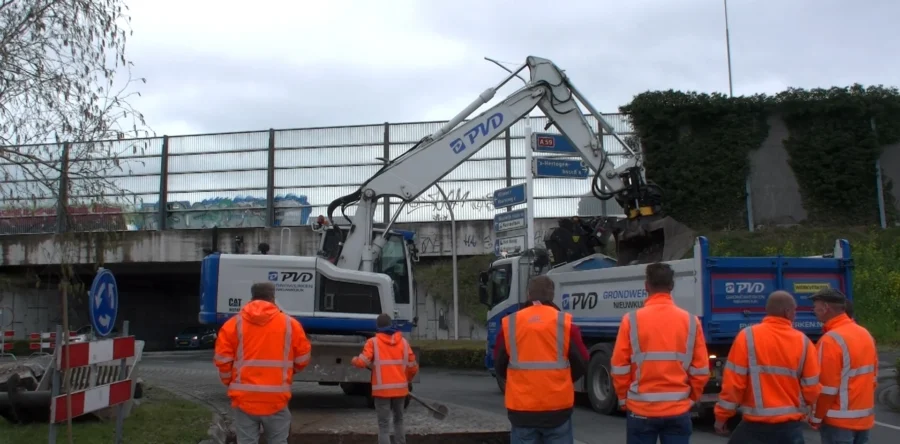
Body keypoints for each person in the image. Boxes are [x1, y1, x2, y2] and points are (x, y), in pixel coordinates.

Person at [611, 262, 710, 444]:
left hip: (641, 409)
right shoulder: (691, 321)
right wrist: (692, 398)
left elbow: (619, 367)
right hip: (677, 409)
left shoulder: (631, 320)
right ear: (671, 286)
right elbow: (701, 369)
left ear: (646, 286)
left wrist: (624, 398)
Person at [714, 290, 821, 444]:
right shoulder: (804, 342)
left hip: (754, 426)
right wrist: (809, 411)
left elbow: (733, 384)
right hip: (789, 427)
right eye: (794, 311)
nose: (795, 315)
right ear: (787, 312)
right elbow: (812, 389)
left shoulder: (747, 336)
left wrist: (722, 416)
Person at [493, 275, 589, 444]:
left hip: (522, 409)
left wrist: (518, 381)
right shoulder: (564, 323)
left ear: (529, 294)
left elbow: (499, 364)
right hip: (557, 408)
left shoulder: (510, 323)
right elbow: (582, 361)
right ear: (552, 296)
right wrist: (562, 380)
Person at [214, 282, 312, 444]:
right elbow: (302, 359)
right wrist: (287, 372)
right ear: (272, 297)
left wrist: (230, 382)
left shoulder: (233, 325)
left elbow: (222, 361)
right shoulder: (290, 324)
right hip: (276, 399)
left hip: (244, 399)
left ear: (252, 297)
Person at [809, 288, 877, 444]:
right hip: (864, 419)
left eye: (815, 307)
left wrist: (816, 417)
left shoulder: (830, 340)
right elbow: (873, 379)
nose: (814, 311)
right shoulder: (865, 334)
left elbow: (827, 388)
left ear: (825, 308)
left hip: (838, 422)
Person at [351, 313, 419, 444]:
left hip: (382, 392)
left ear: (377, 327)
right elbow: (413, 367)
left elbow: (362, 362)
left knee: (383, 425)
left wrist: (354, 360)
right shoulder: (404, 343)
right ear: (391, 325)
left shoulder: (373, 342)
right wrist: (407, 380)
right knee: (399, 421)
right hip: (400, 390)